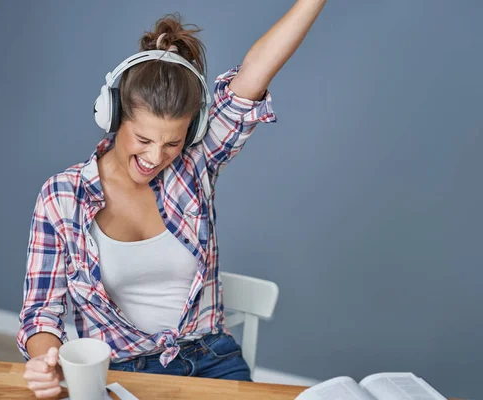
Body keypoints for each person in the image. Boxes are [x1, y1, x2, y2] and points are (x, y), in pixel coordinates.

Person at [19, 2, 327, 398]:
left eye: (172, 143)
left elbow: (256, 72)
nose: (154, 157)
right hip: (120, 372)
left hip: (212, 359)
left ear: (192, 134)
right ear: (113, 116)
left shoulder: (195, 166)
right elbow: (41, 312)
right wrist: (45, 359)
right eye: (143, 139)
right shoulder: (62, 198)